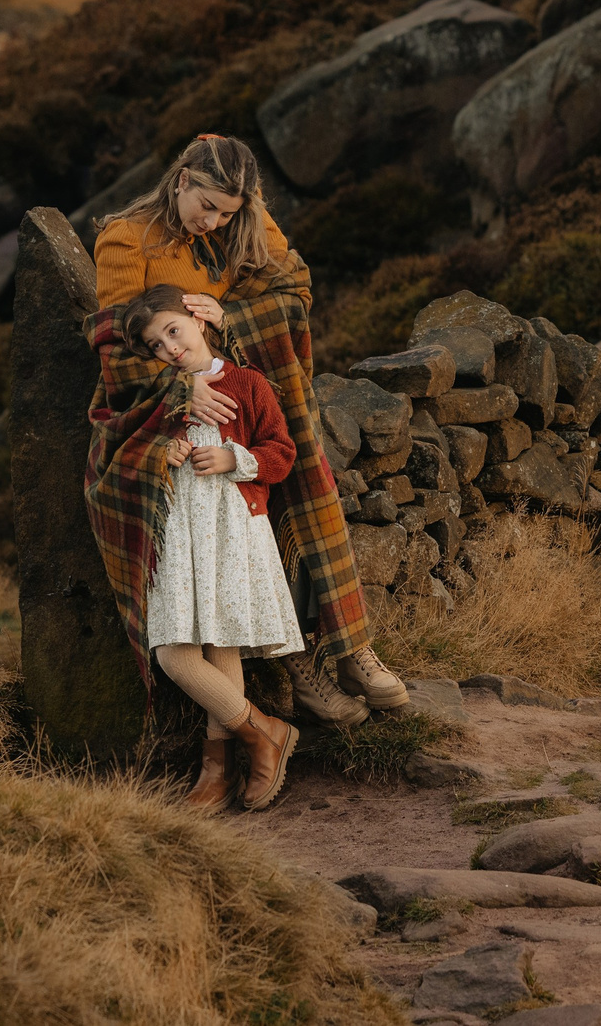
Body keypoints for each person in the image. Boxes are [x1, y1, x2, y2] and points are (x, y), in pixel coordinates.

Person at [88, 133, 409, 724]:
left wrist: (229, 315)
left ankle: (350, 647)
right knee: (231, 539)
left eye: (227, 212)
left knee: (306, 481)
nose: (213, 222)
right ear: (182, 179)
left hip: (243, 387)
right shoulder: (126, 237)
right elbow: (116, 342)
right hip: (165, 416)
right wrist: (181, 385)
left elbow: (294, 287)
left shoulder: (240, 223)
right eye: (205, 205)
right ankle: (298, 675)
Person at [118, 284, 306, 812]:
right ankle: (263, 732)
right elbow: (134, 448)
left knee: (219, 642)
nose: (170, 348)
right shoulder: (161, 394)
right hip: (175, 533)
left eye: (173, 331)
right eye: (156, 345)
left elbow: (282, 452)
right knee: (175, 653)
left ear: (199, 320)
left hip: (232, 526)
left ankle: (216, 771)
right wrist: (163, 450)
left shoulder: (247, 384)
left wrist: (233, 459)